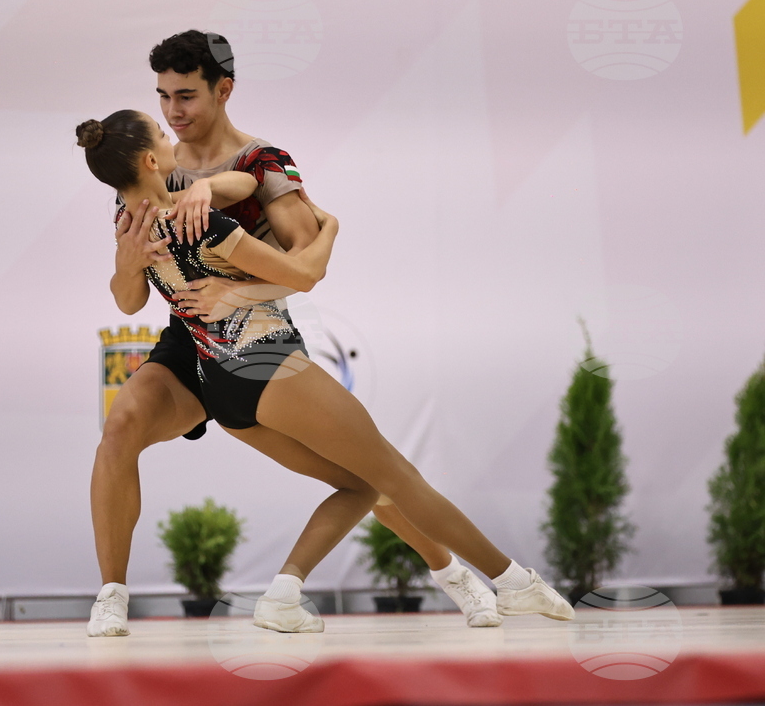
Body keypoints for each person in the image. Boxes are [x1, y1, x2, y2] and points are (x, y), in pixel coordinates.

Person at [77, 108, 576, 633]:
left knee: (364, 485)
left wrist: (146, 260)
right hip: (259, 359)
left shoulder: (128, 219)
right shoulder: (202, 222)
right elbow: (305, 273)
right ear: (153, 159)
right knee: (395, 476)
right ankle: (513, 581)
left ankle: (287, 594)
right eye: (160, 129)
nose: (171, 126)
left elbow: (240, 183)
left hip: (219, 384)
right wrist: (331, 227)